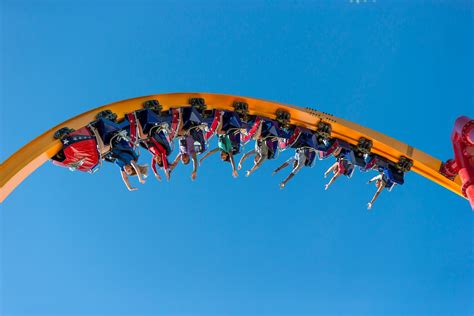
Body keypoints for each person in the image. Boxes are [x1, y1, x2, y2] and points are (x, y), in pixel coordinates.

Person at [89, 123, 147, 191]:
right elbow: (136, 168)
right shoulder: (130, 160)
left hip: (110, 149)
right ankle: (94, 129)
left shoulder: (122, 167)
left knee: (98, 154)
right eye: (128, 170)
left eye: (126, 171)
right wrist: (140, 178)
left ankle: (89, 138)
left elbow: (125, 178)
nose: (125, 170)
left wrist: (129, 187)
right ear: (131, 167)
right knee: (101, 150)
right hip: (116, 143)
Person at [200, 111, 243, 178]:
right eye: (223, 157)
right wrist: (234, 169)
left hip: (221, 130)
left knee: (210, 130)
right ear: (226, 155)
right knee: (218, 131)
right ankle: (221, 115)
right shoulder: (228, 150)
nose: (221, 156)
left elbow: (210, 152)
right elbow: (231, 158)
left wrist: (202, 158)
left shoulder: (220, 148)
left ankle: (209, 114)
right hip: (227, 131)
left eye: (221, 157)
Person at [169, 107, 207, 180]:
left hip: (181, 135)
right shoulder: (191, 152)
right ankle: (180, 112)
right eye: (184, 160)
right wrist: (195, 170)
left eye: (182, 160)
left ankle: (174, 115)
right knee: (178, 131)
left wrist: (169, 171)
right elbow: (195, 160)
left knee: (172, 134)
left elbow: (175, 162)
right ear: (188, 158)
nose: (182, 159)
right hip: (188, 133)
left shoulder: (181, 153)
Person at [133, 112, 173, 181]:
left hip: (146, 139)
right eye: (161, 160)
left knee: (136, 139)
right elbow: (163, 159)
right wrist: (166, 170)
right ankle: (137, 118)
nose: (158, 159)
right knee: (141, 136)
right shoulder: (163, 152)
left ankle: (132, 122)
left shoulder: (154, 155)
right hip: (151, 135)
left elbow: (153, 166)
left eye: (158, 161)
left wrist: (155, 173)